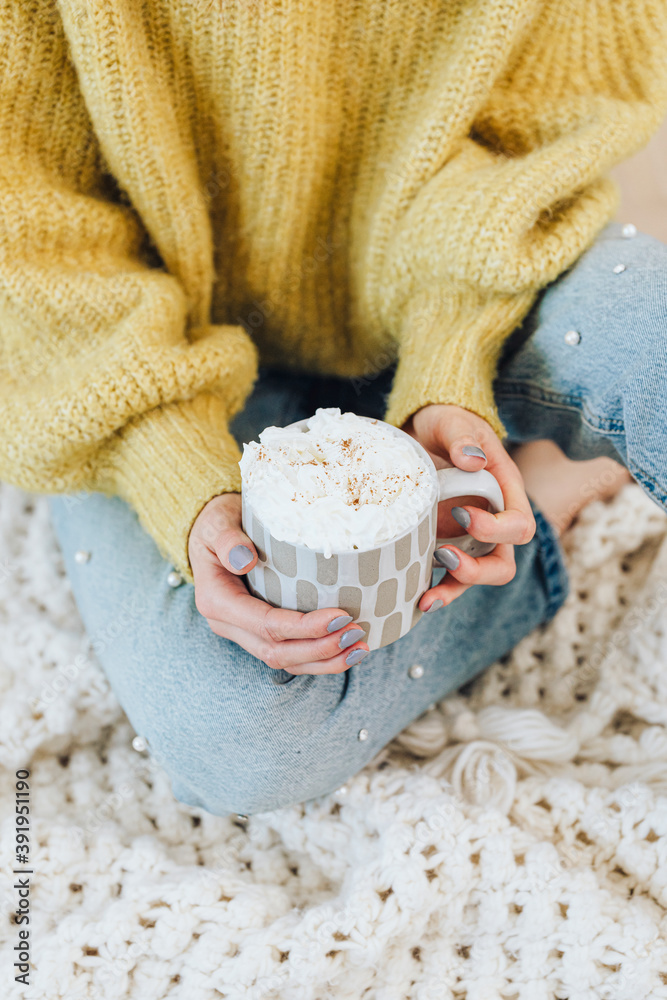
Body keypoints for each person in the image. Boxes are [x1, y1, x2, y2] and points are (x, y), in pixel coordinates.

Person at [1, 1, 666, 815]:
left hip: (469, 263)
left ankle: (507, 484)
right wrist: (172, 466)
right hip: (129, 349)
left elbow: (548, 104)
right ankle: (547, 494)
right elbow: (24, 228)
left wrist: (450, 357)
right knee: (241, 741)